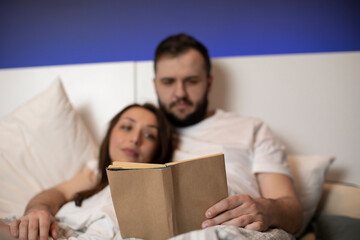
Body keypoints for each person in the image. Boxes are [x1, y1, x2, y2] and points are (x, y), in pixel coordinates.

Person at [11, 33, 303, 239]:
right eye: (168, 82)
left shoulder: (251, 128)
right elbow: (62, 192)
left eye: (191, 81)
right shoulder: (137, 142)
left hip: (223, 227)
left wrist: (266, 208)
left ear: (209, 82)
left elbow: (291, 210)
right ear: (155, 84)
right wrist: (38, 210)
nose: (179, 93)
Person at [6, 103, 176, 240]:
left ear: (158, 151)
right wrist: (38, 211)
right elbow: (57, 192)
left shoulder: (157, 196)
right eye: (126, 127)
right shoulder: (95, 174)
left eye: (149, 135)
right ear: (110, 134)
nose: (135, 138)